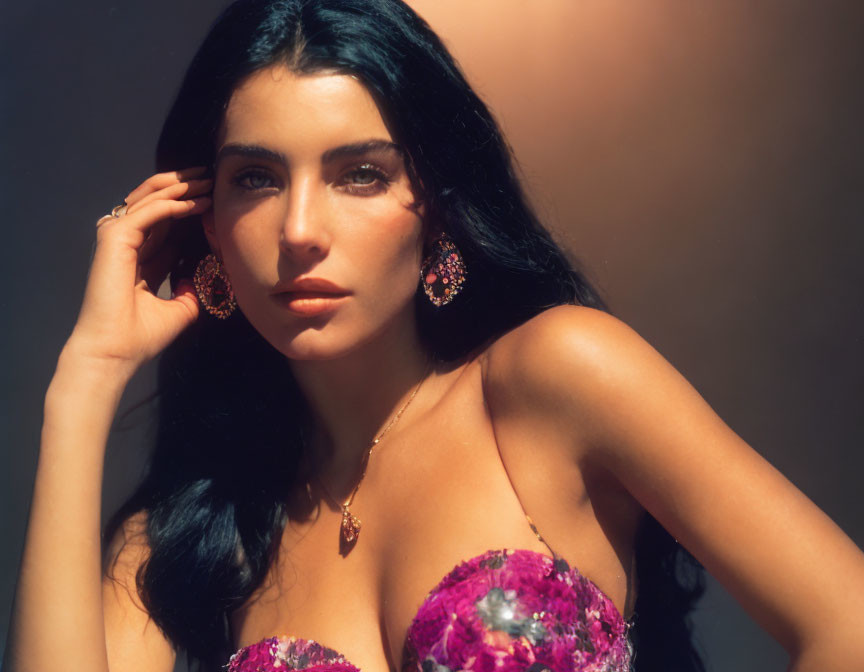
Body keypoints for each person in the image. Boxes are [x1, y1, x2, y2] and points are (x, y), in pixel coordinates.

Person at [5, 1, 864, 671]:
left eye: (361, 175)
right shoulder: (194, 532)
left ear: (441, 213)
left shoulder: (554, 376)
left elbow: (847, 629)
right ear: (212, 224)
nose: (300, 228)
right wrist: (83, 383)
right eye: (257, 179)